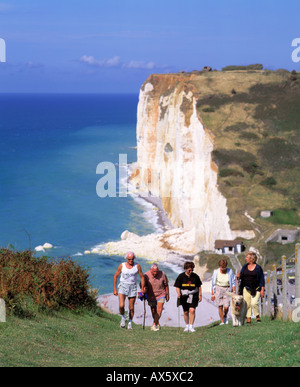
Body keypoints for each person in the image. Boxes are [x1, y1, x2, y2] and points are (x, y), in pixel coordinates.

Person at [113, 251, 144, 330]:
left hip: (132, 287)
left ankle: (130, 322)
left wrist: (142, 289)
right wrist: (114, 289)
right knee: (121, 305)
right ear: (126, 258)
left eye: (132, 259)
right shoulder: (121, 265)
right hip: (123, 286)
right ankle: (123, 317)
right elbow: (116, 276)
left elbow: (142, 277)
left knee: (131, 308)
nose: (131, 261)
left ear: (134, 258)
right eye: (129, 259)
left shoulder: (137, 266)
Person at [237, 251, 265, 324]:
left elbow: (262, 279)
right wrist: (238, 276)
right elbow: (241, 276)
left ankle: (257, 317)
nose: (245, 258)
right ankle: (248, 319)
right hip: (246, 288)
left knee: (254, 303)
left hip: (256, 288)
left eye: (247, 257)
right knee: (247, 304)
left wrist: (262, 290)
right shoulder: (245, 266)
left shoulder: (258, 268)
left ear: (251, 259)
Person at [175, 261, 202, 332]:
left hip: (194, 294)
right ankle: (186, 326)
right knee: (186, 312)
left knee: (192, 310)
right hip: (184, 295)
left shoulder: (195, 276)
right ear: (185, 269)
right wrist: (178, 293)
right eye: (189, 270)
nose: (191, 271)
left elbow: (199, 286)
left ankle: (191, 326)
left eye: (192, 270)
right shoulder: (181, 276)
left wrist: (200, 295)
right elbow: (177, 286)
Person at [143, 264, 169, 331]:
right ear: (150, 270)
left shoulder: (162, 274)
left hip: (161, 294)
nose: (155, 273)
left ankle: (154, 324)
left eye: (156, 272)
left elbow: (166, 284)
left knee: (159, 309)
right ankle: (157, 323)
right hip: (151, 295)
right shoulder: (146, 275)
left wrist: (167, 294)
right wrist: (144, 290)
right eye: (153, 272)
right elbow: (142, 285)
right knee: (153, 310)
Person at [211, 259, 236, 325]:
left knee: (226, 306)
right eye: (222, 267)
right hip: (218, 288)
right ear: (219, 266)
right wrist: (212, 294)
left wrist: (234, 291)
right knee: (220, 306)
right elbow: (213, 284)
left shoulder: (230, 271)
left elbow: (233, 282)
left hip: (227, 289)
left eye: (224, 267)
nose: (223, 269)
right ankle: (222, 321)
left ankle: (225, 316)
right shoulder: (216, 272)